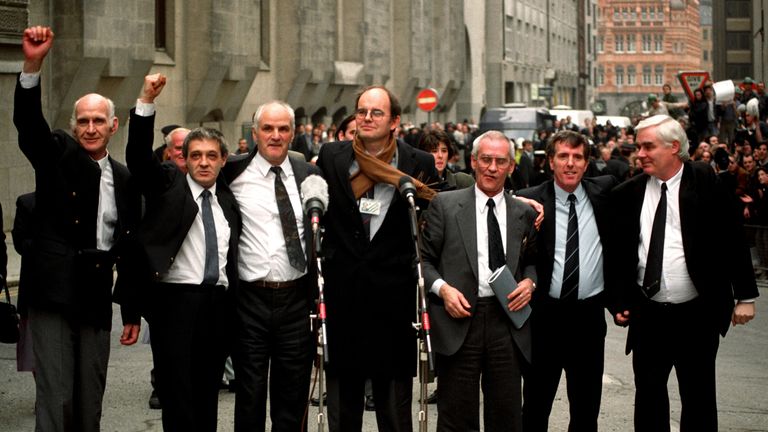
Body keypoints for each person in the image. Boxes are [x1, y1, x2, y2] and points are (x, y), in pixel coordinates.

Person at [14, 26, 142, 432]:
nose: (90, 128)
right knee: (56, 397)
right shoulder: (59, 158)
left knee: (90, 396)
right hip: (51, 291)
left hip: (95, 293)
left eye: (98, 121)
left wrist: (132, 309)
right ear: (73, 127)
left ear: (113, 125)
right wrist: (33, 65)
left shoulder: (124, 179)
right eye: (83, 121)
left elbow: (130, 246)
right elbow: (30, 129)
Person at [610, 114, 759, 431]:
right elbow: (619, 253)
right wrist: (619, 300)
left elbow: (733, 238)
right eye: (639, 147)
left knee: (699, 398)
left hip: (697, 314)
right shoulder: (628, 193)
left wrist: (745, 296)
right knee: (648, 398)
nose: (641, 153)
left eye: (648, 146)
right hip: (648, 316)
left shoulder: (705, 182)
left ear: (674, 146)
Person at [316, 85, 438, 431]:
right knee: (344, 402)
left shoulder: (419, 162)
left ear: (395, 121)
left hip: (393, 298)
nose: (367, 118)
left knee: (394, 407)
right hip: (344, 295)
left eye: (376, 112)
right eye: (361, 112)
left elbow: (442, 211)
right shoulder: (331, 156)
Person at [125, 74, 240, 431]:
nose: (203, 163)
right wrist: (146, 101)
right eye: (195, 156)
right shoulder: (167, 186)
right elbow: (138, 159)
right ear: (185, 161)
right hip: (175, 305)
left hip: (217, 307)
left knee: (208, 395)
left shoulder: (227, 199)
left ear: (223, 160)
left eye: (211, 156)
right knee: (177, 399)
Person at [420, 130, 537, 431]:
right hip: (459, 320)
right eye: (486, 160)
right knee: (457, 418)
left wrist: (530, 283)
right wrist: (442, 290)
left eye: (500, 161)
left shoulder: (522, 212)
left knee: (507, 417)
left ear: (512, 166)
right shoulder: (445, 206)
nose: (492, 168)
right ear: (473, 161)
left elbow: (533, 261)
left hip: (506, 323)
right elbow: (422, 260)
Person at [222, 101, 320, 432]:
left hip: (296, 301)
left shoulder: (310, 175)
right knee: (249, 395)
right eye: (267, 128)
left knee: (292, 399)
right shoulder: (232, 173)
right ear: (254, 134)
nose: (275, 136)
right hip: (249, 301)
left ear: (293, 133)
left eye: (282, 129)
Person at [517, 130, 617, 432]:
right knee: (535, 407)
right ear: (550, 161)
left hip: (588, 319)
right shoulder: (530, 200)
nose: (570, 164)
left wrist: (620, 300)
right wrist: (516, 200)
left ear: (587, 164)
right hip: (544, 319)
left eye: (577, 157)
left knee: (586, 412)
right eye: (563, 156)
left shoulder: (605, 192)